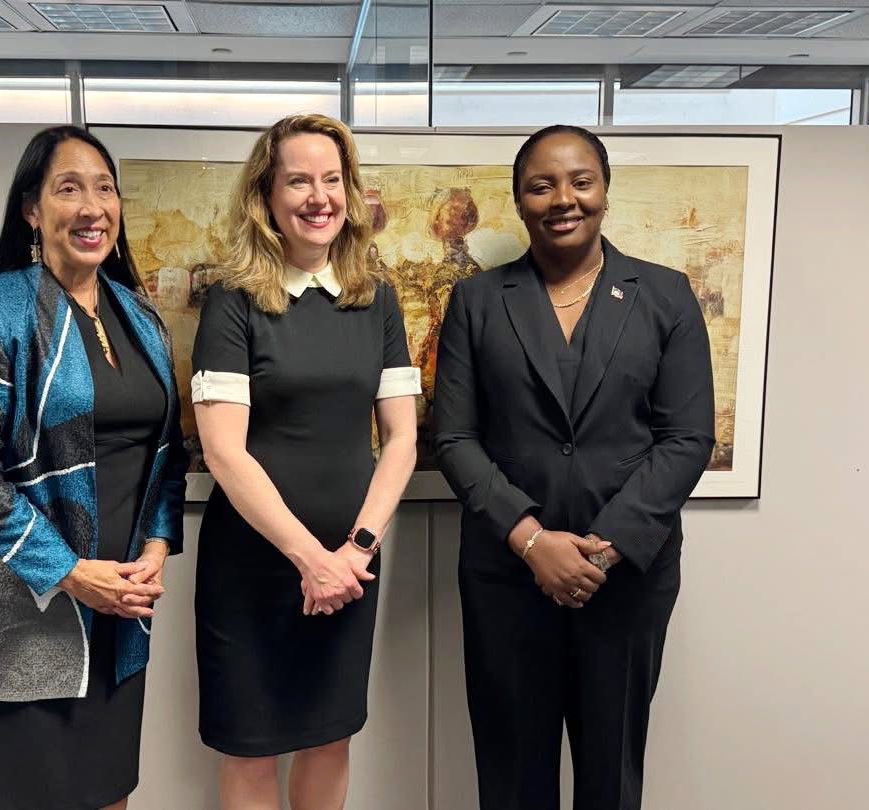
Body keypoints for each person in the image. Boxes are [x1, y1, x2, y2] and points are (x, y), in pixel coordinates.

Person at [433, 124, 715, 810]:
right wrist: (532, 541)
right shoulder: (476, 301)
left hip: (624, 582)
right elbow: (454, 438)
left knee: (610, 777)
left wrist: (607, 546)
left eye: (580, 181)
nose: (564, 198)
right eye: (542, 184)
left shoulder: (666, 295)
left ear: (605, 191)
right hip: (507, 578)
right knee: (511, 777)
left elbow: (687, 438)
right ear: (520, 201)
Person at [0, 125, 188, 810]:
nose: (92, 207)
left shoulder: (140, 317)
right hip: (13, 618)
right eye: (69, 188)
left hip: (112, 615)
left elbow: (164, 453)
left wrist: (155, 545)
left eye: (105, 188)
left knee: (103, 793)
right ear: (32, 210)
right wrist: (69, 573)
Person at [191, 113, 420, 810]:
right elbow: (223, 452)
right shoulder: (234, 300)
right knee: (252, 749)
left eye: (332, 179)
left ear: (349, 193)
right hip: (255, 566)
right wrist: (309, 558)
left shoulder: (376, 296)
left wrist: (353, 551)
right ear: (267, 197)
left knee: (329, 739)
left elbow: (402, 440)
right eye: (299, 181)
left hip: (353, 568)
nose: (319, 197)